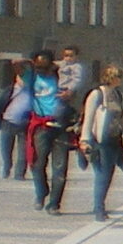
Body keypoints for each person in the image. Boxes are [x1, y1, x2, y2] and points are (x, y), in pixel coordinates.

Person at [76, 63, 123, 220]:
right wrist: (85, 140)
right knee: (102, 174)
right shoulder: (97, 94)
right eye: (118, 77)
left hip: (114, 140)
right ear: (111, 77)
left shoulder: (118, 95)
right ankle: (99, 209)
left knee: (108, 174)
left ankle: (100, 206)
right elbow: (88, 118)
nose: (120, 80)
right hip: (99, 141)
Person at [25, 50, 78, 212]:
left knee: (60, 168)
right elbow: (15, 65)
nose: (42, 70)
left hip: (61, 126)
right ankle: (41, 192)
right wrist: (29, 62)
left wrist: (71, 93)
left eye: (45, 66)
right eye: (38, 66)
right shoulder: (32, 77)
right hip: (41, 126)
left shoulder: (61, 77)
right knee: (37, 164)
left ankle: (54, 204)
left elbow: (80, 86)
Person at [0, 59, 30, 176]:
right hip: (8, 121)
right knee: (6, 149)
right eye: (20, 77)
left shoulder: (33, 92)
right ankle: (6, 166)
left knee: (23, 151)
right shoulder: (9, 90)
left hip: (25, 123)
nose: (23, 81)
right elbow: (0, 106)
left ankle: (20, 173)